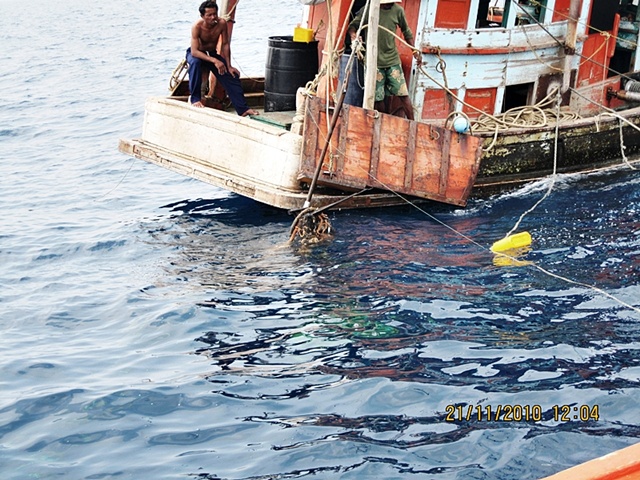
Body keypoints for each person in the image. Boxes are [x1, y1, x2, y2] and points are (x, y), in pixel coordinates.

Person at [348, 0, 421, 120]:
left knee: (403, 94)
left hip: (392, 61)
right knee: (377, 98)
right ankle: (384, 121)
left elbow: (406, 31)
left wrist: (414, 51)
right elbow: (353, 26)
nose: (390, 5)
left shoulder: (398, 11)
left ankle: (413, 123)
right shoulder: (369, 10)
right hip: (374, 62)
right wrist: (354, 35)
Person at [186, 1, 258, 116]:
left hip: (211, 53)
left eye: (215, 14)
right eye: (209, 15)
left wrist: (229, 66)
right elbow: (194, 52)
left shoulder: (222, 23)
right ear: (202, 16)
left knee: (231, 75)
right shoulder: (197, 26)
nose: (213, 17)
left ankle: (243, 109)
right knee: (195, 64)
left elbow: (225, 44)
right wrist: (215, 61)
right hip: (197, 54)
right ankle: (195, 99)